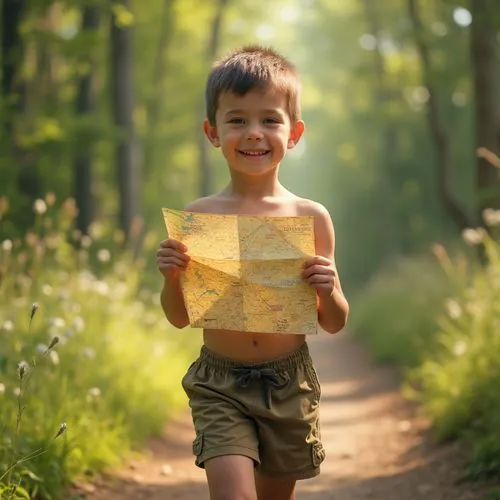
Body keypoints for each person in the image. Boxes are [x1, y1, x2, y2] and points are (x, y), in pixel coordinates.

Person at [156, 45, 349, 500]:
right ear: (212, 131)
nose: (254, 133)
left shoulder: (311, 217)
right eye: (237, 120)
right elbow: (180, 317)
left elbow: (335, 320)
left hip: (288, 382)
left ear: (295, 132)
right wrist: (170, 277)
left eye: (270, 120)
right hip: (219, 382)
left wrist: (331, 288)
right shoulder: (199, 218)